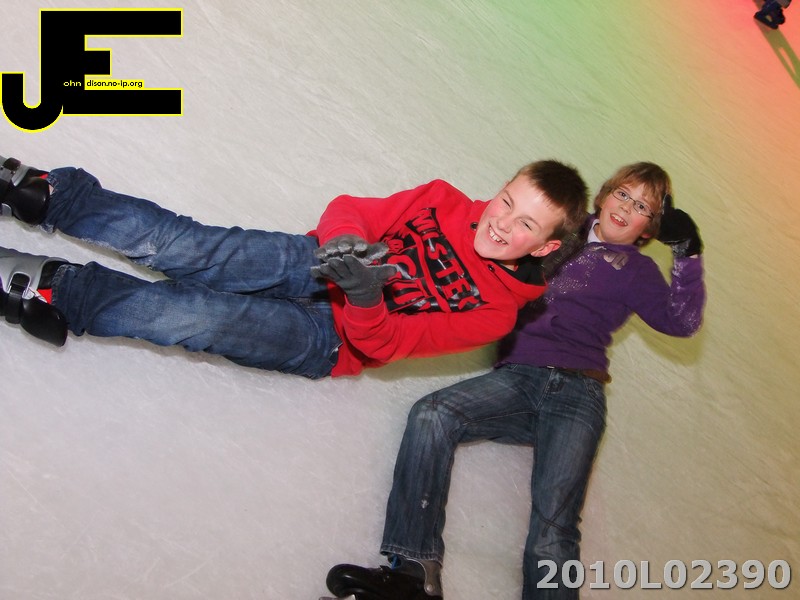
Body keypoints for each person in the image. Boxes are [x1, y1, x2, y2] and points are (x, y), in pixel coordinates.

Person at [323, 162, 706, 600]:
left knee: (554, 523)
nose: (626, 208)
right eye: (623, 194)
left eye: (642, 207)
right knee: (434, 414)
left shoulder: (637, 271)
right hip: (518, 381)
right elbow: (489, 243)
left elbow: (682, 321)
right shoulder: (552, 231)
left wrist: (687, 252)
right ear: (604, 195)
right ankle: (415, 573)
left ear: (650, 227)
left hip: (578, 394)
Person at [0, 154, 587, 379]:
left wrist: (365, 296)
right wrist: (346, 245)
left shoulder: (494, 314)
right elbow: (353, 209)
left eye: (526, 225)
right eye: (506, 201)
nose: (502, 223)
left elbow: (384, 345)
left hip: (327, 340)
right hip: (313, 263)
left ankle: (54, 292)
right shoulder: (443, 199)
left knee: (195, 317)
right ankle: (49, 195)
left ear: (543, 248)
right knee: (190, 246)